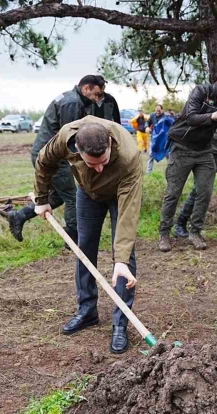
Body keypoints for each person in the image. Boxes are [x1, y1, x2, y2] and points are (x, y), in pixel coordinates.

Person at [32, 116, 142, 354]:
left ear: (110, 145)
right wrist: (41, 200)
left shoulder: (129, 156)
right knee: (84, 250)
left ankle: (120, 324)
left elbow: (128, 214)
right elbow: (43, 161)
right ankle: (87, 311)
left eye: (103, 162)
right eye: (92, 164)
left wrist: (121, 261)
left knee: (124, 255)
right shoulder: (65, 137)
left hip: (119, 194)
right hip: (87, 193)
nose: (99, 168)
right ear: (77, 150)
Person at [7, 75, 105, 243]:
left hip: (48, 153)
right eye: (96, 94)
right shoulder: (73, 103)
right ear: (86, 89)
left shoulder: (71, 98)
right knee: (73, 197)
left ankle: (19, 216)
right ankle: (73, 237)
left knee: (59, 196)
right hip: (51, 157)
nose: (97, 99)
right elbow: (69, 137)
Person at [158, 67, 217, 252]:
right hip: (182, 146)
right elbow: (190, 117)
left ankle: (195, 231)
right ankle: (164, 233)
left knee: (204, 192)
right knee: (173, 192)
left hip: (204, 151)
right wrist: (215, 115)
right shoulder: (201, 91)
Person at [144, 105, 167, 173]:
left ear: (162, 110)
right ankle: (148, 172)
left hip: (163, 139)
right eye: (156, 111)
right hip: (154, 138)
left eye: (159, 111)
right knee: (151, 154)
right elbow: (147, 122)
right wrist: (147, 127)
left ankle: (171, 171)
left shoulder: (166, 117)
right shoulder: (152, 115)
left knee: (168, 155)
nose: (157, 112)